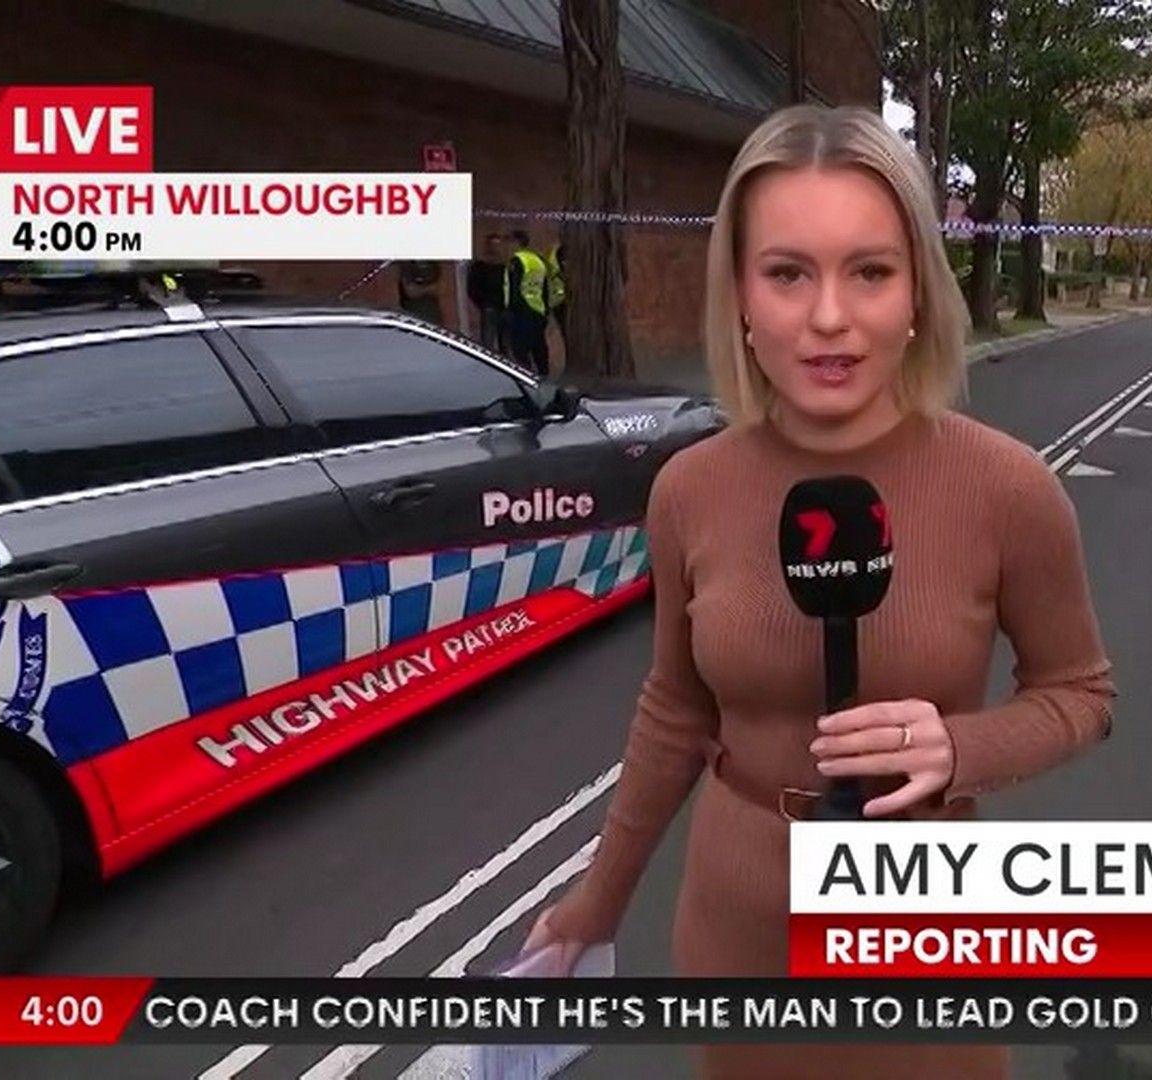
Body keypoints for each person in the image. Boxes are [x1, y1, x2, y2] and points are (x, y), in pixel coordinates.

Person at [522, 104, 1116, 1079]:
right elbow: (675, 709)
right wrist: (598, 901)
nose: (829, 317)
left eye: (870, 272)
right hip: (737, 935)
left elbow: (1081, 695)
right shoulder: (689, 491)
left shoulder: (1008, 489)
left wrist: (960, 748)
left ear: (918, 289)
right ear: (740, 298)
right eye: (789, 273)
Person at [504, 229, 552, 375]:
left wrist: (511, 312)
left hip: (522, 311)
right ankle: (543, 374)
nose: (507, 245)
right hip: (538, 309)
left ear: (517, 242)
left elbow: (515, 287)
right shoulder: (537, 260)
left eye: (509, 241)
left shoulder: (517, 261)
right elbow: (545, 287)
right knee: (538, 347)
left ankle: (526, 376)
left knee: (520, 349)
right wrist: (546, 311)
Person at [468, 233, 510, 355]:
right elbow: (473, 288)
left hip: (504, 308)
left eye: (498, 245)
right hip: (489, 307)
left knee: (505, 343)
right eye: (493, 245)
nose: (496, 248)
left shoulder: (505, 266)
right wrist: (483, 303)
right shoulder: (480, 266)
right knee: (488, 342)